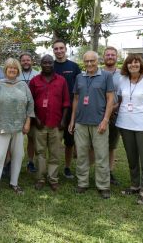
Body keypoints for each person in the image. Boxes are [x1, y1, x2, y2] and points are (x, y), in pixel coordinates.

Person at [0, 58, 35, 198]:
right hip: (1, 126)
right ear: (5, 70)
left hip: (19, 127)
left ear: (18, 70)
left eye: (15, 68)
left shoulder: (23, 86)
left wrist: (27, 123)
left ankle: (14, 182)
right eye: (9, 68)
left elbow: (30, 105)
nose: (12, 70)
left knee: (18, 156)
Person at [68, 51, 114, 199]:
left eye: (92, 61)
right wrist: (72, 120)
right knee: (81, 154)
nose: (89, 64)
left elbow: (110, 99)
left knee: (101, 155)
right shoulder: (79, 77)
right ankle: (82, 183)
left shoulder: (106, 76)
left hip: (99, 123)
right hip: (81, 123)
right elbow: (75, 99)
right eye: (86, 61)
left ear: (97, 61)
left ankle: (103, 185)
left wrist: (105, 120)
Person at [116, 54, 143, 205]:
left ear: (141, 65)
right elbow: (120, 100)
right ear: (126, 66)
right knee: (132, 158)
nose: (133, 65)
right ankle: (135, 186)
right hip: (125, 124)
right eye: (130, 63)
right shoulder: (122, 80)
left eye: (136, 63)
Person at [29, 55, 70, 192]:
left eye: (50, 62)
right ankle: (40, 179)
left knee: (55, 153)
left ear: (53, 64)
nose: (47, 65)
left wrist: (64, 120)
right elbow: (30, 103)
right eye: (44, 62)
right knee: (40, 153)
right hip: (39, 124)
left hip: (56, 124)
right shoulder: (34, 81)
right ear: (40, 64)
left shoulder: (61, 80)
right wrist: (36, 119)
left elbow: (66, 103)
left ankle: (53, 179)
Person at [52, 39, 81, 179]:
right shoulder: (49, 66)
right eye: (56, 49)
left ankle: (67, 167)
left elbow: (80, 90)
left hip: (70, 110)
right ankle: (53, 167)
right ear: (53, 51)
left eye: (61, 48)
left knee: (69, 142)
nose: (59, 51)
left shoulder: (74, 67)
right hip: (54, 111)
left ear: (65, 49)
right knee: (54, 142)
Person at [17, 52, 39, 173]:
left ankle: (31, 161)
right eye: (23, 60)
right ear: (20, 62)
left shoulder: (37, 74)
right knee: (15, 139)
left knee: (32, 138)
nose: (26, 62)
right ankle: (13, 162)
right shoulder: (16, 75)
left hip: (33, 111)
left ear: (32, 61)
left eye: (28, 60)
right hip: (18, 112)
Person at [103, 46, 121, 186]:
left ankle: (109, 173)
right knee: (95, 145)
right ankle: (98, 171)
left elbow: (125, 96)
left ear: (117, 57)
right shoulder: (97, 73)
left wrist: (113, 109)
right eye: (107, 55)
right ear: (103, 57)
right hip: (98, 114)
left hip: (116, 114)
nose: (110, 57)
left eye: (112, 55)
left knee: (111, 145)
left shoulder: (123, 75)